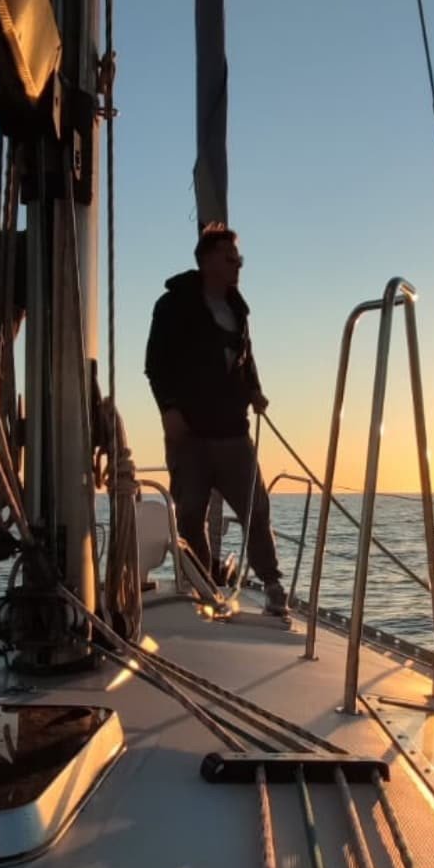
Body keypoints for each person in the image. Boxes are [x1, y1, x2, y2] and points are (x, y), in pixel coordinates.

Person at [144, 224, 287, 615]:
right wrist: (169, 409)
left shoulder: (238, 309)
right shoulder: (172, 306)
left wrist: (255, 390)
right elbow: (156, 364)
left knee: (255, 509)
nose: (238, 265)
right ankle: (203, 582)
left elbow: (246, 358)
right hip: (189, 432)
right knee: (190, 513)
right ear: (207, 261)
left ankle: (272, 583)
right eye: (230, 258)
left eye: (239, 259)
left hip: (232, 431)